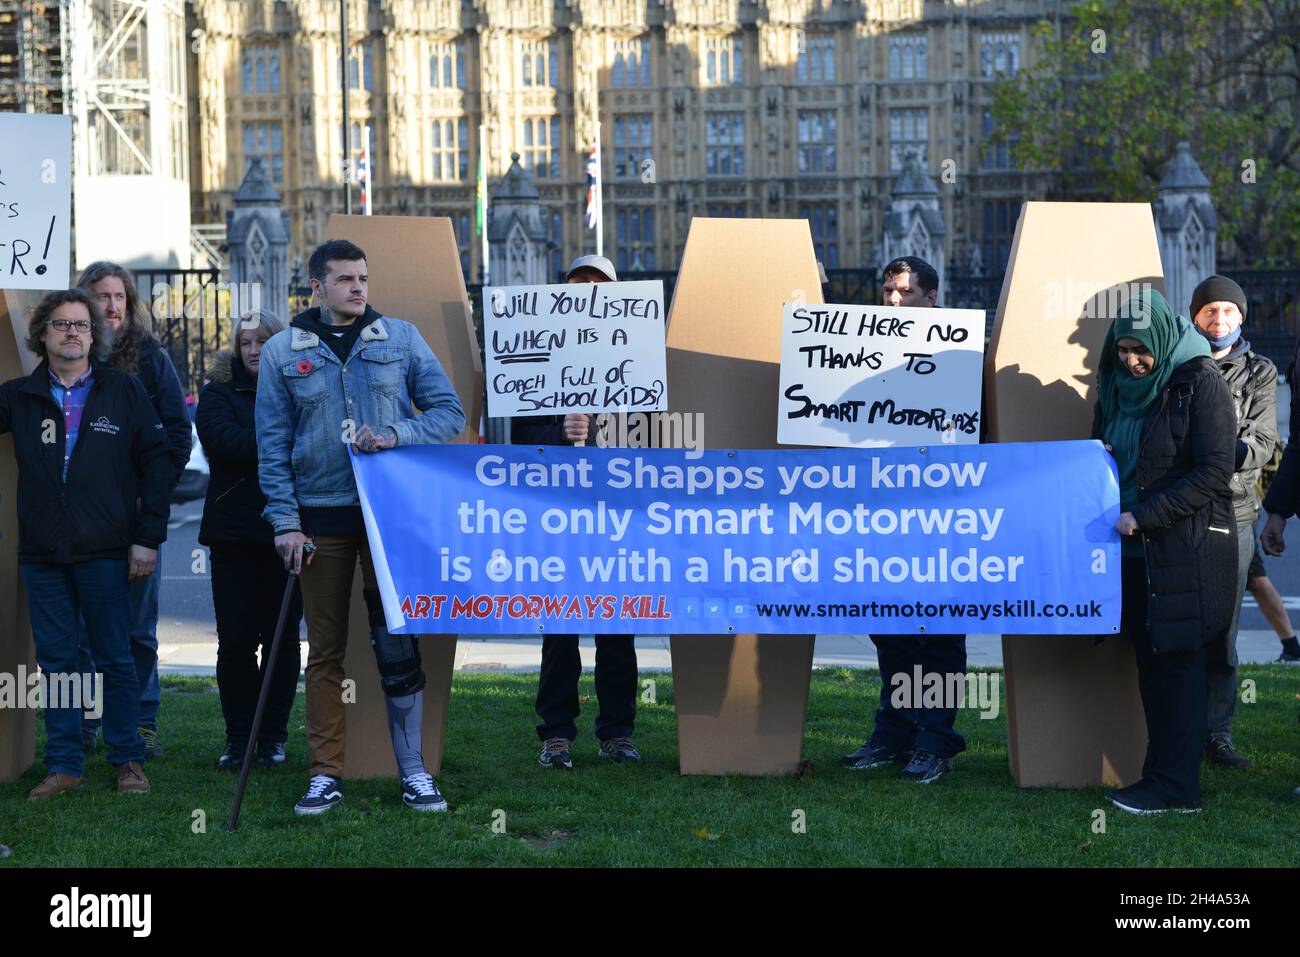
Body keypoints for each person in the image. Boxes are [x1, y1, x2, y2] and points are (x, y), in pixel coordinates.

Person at [257, 239, 465, 815]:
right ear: (316, 287)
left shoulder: (398, 338)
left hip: (388, 518)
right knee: (324, 652)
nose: (358, 288)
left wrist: (396, 434)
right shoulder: (282, 351)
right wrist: (285, 523)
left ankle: (415, 772)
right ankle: (325, 774)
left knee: (396, 642)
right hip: (317, 523)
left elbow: (450, 411)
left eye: (364, 278)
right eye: (345, 279)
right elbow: (271, 447)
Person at [0, 289, 173, 798]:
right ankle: (65, 764)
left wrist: (148, 538)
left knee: (114, 657)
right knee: (56, 662)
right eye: (60, 325)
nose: (72, 332)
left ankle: (127, 759)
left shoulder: (122, 391)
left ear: (94, 336)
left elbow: (160, 462)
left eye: (81, 325)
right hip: (43, 554)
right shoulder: (20, 396)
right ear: (42, 335)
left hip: (107, 551)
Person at [1094, 289, 1236, 815]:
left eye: (1141, 350)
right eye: (1123, 349)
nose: (1132, 360)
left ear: (1161, 339)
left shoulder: (1199, 381)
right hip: (1130, 556)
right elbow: (1097, 449)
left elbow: (1215, 470)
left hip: (1183, 548)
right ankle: (1160, 778)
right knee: (1152, 666)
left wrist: (1145, 516)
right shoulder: (1112, 386)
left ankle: (1179, 788)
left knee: (1178, 666)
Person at [511, 254, 641, 770]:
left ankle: (617, 732)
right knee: (560, 629)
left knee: (617, 627)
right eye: (578, 282)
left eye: (599, 284)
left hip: (616, 510)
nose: (588, 291)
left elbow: (655, 431)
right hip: (559, 513)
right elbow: (520, 438)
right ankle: (557, 733)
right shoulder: (536, 357)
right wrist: (559, 434)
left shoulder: (638, 353)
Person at [842, 256, 967, 784]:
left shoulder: (961, 352)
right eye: (889, 291)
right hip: (881, 518)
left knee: (938, 635)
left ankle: (934, 738)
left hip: (943, 519)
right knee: (890, 633)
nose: (894, 301)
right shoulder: (860, 356)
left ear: (931, 297)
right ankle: (893, 731)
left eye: (905, 292)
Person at [75, 262, 191, 760]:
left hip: (137, 518)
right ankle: (81, 725)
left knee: (138, 630)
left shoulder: (149, 356)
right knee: (79, 632)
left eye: (119, 296)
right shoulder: (69, 357)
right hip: (79, 519)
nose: (112, 306)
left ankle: (142, 724)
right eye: (101, 296)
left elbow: (176, 434)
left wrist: (151, 495)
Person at [197, 310, 303, 771]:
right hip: (234, 536)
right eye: (246, 343)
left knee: (281, 640)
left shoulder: (300, 388)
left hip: (289, 532)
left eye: (262, 341)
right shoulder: (217, 392)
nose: (254, 350)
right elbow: (225, 444)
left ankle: (273, 736)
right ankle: (239, 737)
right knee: (236, 641)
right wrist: (284, 441)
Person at [1188, 275, 1276, 769]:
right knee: (1179, 623)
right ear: (1195, 317)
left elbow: (1260, 445)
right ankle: (1178, 727)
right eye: (1209, 312)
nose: (1218, 321)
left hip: (1233, 512)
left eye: (1228, 312)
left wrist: (1205, 454)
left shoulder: (1259, 372)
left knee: (1223, 632)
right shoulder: (1178, 365)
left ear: (1241, 317)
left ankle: (1216, 733)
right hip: (1181, 511)